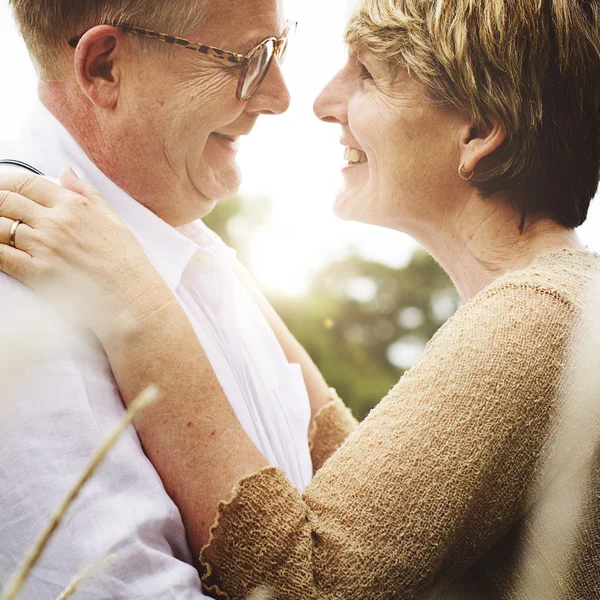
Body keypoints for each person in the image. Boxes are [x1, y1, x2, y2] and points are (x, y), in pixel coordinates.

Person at [1, 0, 599, 598]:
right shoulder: (563, 303)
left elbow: (307, 580)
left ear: (477, 132)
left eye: (366, 74)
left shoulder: (538, 321)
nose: (312, 101)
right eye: (249, 58)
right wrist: (195, 256)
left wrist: (144, 309)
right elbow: (380, 509)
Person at [0, 0, 344, 597]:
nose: (281, 96)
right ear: (104, 67)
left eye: (279, 47)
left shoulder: (190, 244)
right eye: (248, 60)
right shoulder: (25, 296)